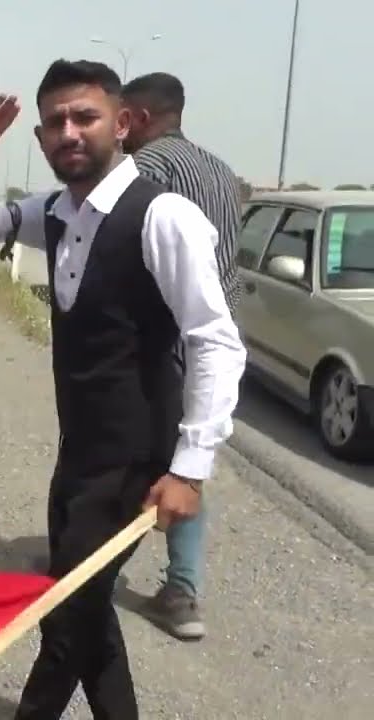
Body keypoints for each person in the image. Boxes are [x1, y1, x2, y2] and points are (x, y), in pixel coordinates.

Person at [0, 60, 246, 719]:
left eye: (85, 117)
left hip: (136, 458)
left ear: (123, 124)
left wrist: (190, 468)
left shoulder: (163, 216)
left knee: (66, 612)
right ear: (40, 138)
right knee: (88, 608)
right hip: (78, 453)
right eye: (55, 122)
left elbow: (214, 340)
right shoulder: (54, 211)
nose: (69, 132)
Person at [122, 72, 245, 642]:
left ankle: (98, 571)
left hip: (166, 340)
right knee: (188, 461)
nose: (119, 129)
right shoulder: (221, 170)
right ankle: (182, 589)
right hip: (216, 339)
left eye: (124, 117)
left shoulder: (147, 168)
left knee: (137, 455)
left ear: (142, 117)